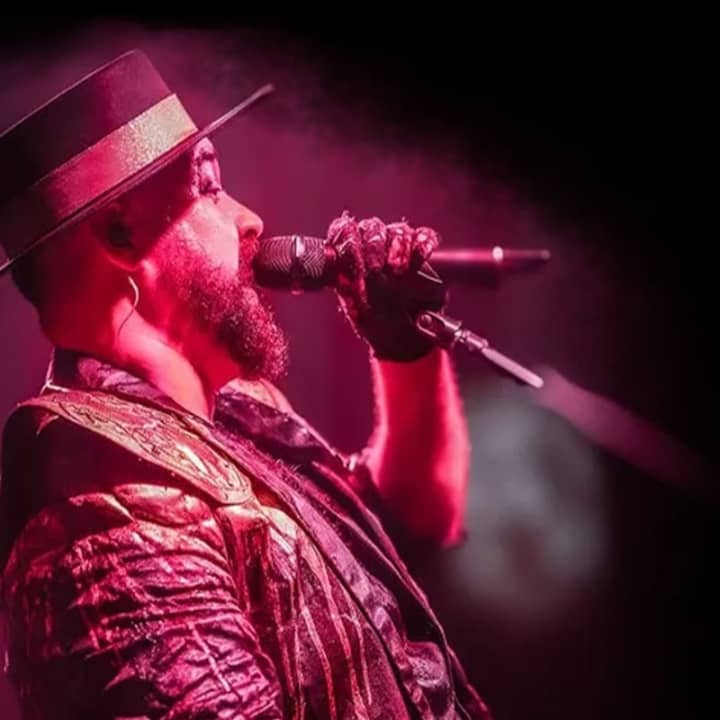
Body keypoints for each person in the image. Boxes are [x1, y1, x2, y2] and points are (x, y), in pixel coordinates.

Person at [0, 49, 491, 719]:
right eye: (208, 188)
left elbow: (409, 525)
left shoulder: (233, 414)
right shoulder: (100, 502)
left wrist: (404, 349)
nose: (250, 219)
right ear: (121, 233)